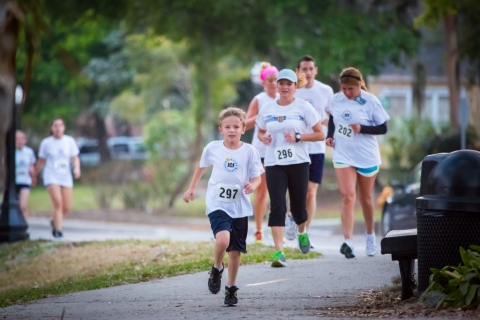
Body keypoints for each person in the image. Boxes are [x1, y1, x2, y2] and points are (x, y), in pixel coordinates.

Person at [183, 107, 263, 306]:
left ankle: (231, 288)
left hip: (240, 206)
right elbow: (201, 167)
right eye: (227, 127)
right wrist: (192, 187)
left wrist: (252, 185)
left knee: (235, 251)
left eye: (236, 126)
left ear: (244, 129)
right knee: (223, 239)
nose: (232, 130)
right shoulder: (212, 148)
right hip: (217, 203)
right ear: (221, 130)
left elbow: (258, 176)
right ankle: (217, 268)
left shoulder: (250, 151)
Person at [256, 69, 325, 267]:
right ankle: (279, 252)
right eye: (282, 83)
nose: (285, 87)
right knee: (277, 205)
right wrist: (264, 137)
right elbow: (261, 131)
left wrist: (298, 137)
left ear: (296, 87)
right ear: (276, 86)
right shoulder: (268, 109)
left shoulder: (304, 108)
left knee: (297, 208)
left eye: (289, 84)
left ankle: (302, 232)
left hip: (298, 162)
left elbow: (320, 134)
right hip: (274, 163)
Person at [325, 67, 390, 258]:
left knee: (365, 199)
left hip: (366, 155)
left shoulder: (371, 101)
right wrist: (330, 136)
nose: (346, 92)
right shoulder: (336, 99)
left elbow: (383, 128)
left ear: (359, 85)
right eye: (343, 88)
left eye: (350, 89)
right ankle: (348, 242)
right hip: (343, 154)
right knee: (347, 196)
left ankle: (370, 236)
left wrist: (362, 128)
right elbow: (332, 119)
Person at [292, 55, 334, 247]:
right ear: (298, 71)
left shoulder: (325, 90)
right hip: (295, 146)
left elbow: (332, 116)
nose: (307, 73)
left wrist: (328, 128)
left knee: (310, 191)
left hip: (316, 147)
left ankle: (304, 233)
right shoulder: (293, 90)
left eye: (311, 69)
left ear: (316, 70)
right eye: (304, 69)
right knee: (294, 190)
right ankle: (290, 217)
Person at [245, 62, 279, 244]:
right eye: (270, 80)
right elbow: (246, 124)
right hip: (261, 151)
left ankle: (278, 229)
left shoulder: (285, 97)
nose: (274, 84)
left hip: (281, 150)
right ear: (263, 82)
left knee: (279, 193)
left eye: (276, 80)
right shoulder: (258, 100)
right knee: (262, 192)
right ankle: (258, 230)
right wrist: (260, 117)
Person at [34, 118, 81, 238]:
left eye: (60, 125)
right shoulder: (46, 143)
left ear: (64, 127)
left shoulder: (69, 141)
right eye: (55, 125)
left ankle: (54, 220)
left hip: (65, 176)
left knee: (66, 207)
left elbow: (75, 157)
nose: (58, 128)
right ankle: (58, 230)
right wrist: (34, 175)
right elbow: (41, 161)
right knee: (58, 203)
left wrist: (77, 168)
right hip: (51, 176)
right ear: (51, 128)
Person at [15, 130, 37, 220]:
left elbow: (32, 165)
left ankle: (24, 225)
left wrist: (33, 176)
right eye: (17, 139)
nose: (20, 141)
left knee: (23, 206)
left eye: (22, 139)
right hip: (14, 182)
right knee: (14, 206)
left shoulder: (29, 152)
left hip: (25, 181)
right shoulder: (10, 152)